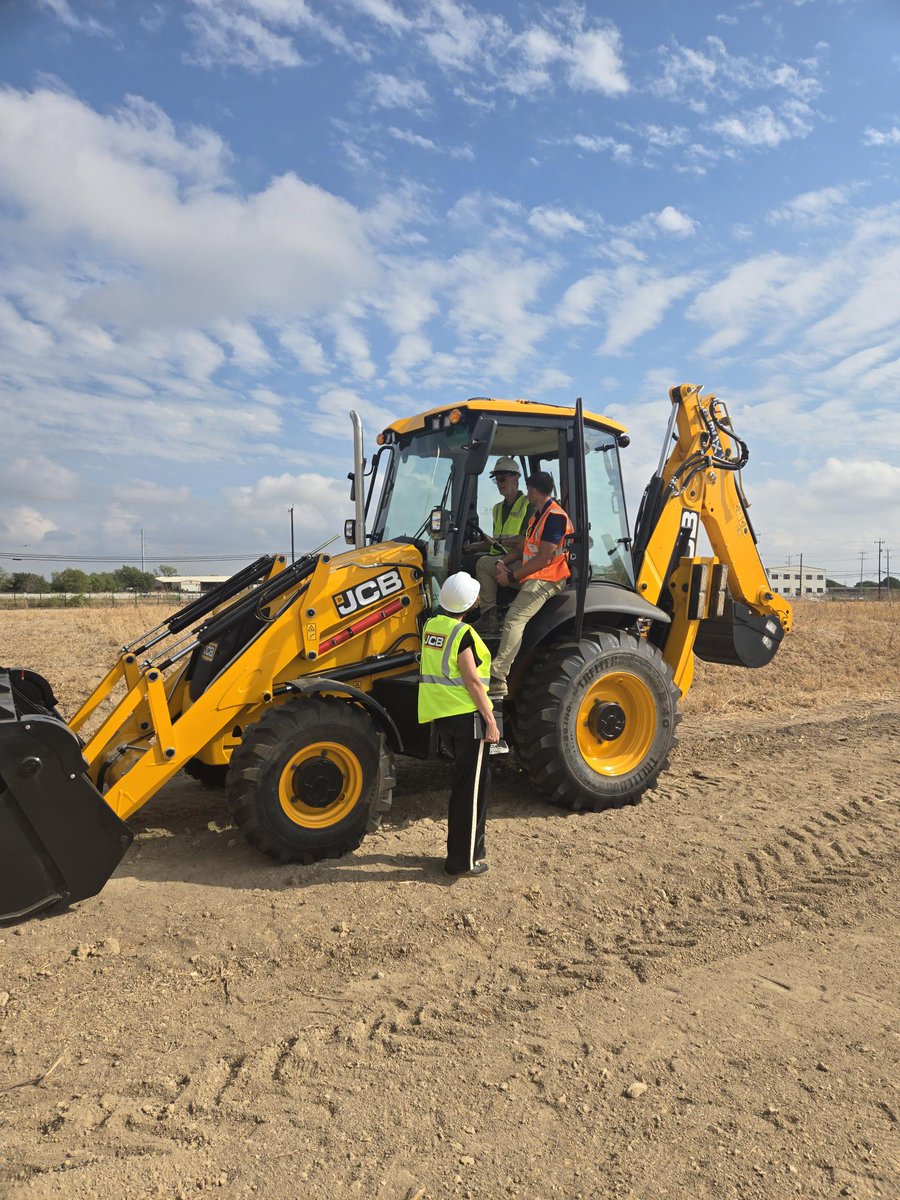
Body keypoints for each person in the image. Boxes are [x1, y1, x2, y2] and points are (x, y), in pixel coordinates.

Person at [418, 572, 500, 877]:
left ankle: (473, 849)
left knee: (476, 783)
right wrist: (490, 722)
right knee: (470, 790)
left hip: (444, 717)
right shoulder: (462, 633)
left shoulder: (432, 627)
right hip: (468, 719)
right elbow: (472, 681)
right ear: (470, 602)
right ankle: (461, 862)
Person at [489, 471, 574, 698]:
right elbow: (524, 549)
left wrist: (512, 576)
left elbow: (545, 558)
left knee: (515, 618)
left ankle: (497, 676)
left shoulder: (555, 517)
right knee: (483, 567)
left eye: (528, 490)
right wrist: (501, 562)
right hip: (535, 574)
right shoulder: (538, 516)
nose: (527, 494)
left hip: (550, 577)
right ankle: (488, 617)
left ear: (534, 491)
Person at [463, 457, 531, 634]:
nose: (499, 483)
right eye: (496, 480)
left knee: (484, 564)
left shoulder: (528, 505)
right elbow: (496, 543)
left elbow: (525, 541)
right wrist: (477, 546)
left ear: (516, 477)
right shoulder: (497, 509)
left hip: (524, 560)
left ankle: (489, 616)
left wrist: (495, 543)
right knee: (466, 560)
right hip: (504, 557)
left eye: (503, 479)